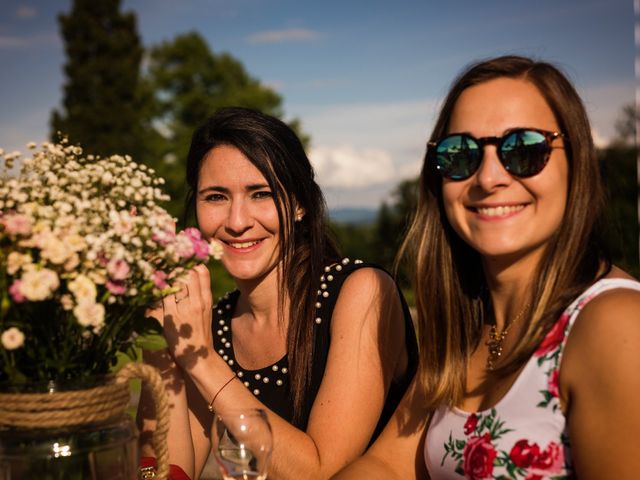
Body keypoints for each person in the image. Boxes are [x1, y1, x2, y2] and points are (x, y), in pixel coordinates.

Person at [333, 55, 640, 479]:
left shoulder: (615, 325)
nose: (488, 177)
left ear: (577, 163)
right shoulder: (468, 322)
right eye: (460, 153)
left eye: (525, 148)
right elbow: (386, 464)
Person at [136, 107, 418, 479]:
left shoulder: (361, 292)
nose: (237, 222)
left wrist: (201, 359)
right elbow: (165, 471)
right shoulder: (214, 322)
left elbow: (325, 472)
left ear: (299, 203)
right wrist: (162, 345)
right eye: (216, 197)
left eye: (261, 194)